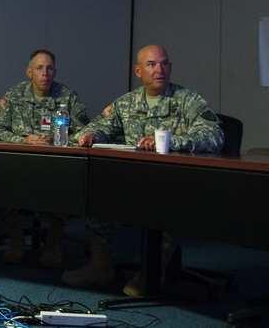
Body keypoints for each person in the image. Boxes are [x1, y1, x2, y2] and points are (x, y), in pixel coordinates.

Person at [62, 44, 224, 295]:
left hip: (175, 183)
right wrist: (90, 134)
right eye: (151, 64)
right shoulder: (127, 102)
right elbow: (93, 127)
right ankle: (100, 266)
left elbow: (215, 136)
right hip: (134, 181)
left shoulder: (187, 100)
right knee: (97, 193)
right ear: (138, 70)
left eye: (164, 63)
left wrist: (167, 141)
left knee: (169, 205)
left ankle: (154, 270)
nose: (160, 70)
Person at [0, 49, 90, 268]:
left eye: (49, 68)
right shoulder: (15, 95)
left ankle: (53, 243)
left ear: (55, 71)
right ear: (29, 72)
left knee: (69, 186)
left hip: (57, 167)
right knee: (1, 185)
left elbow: (85, 134)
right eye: (39, 68)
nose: (45, 73)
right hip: (20, 166)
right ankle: (16, 241)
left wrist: (57, 141)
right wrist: (22, 140)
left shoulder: (68, 97)